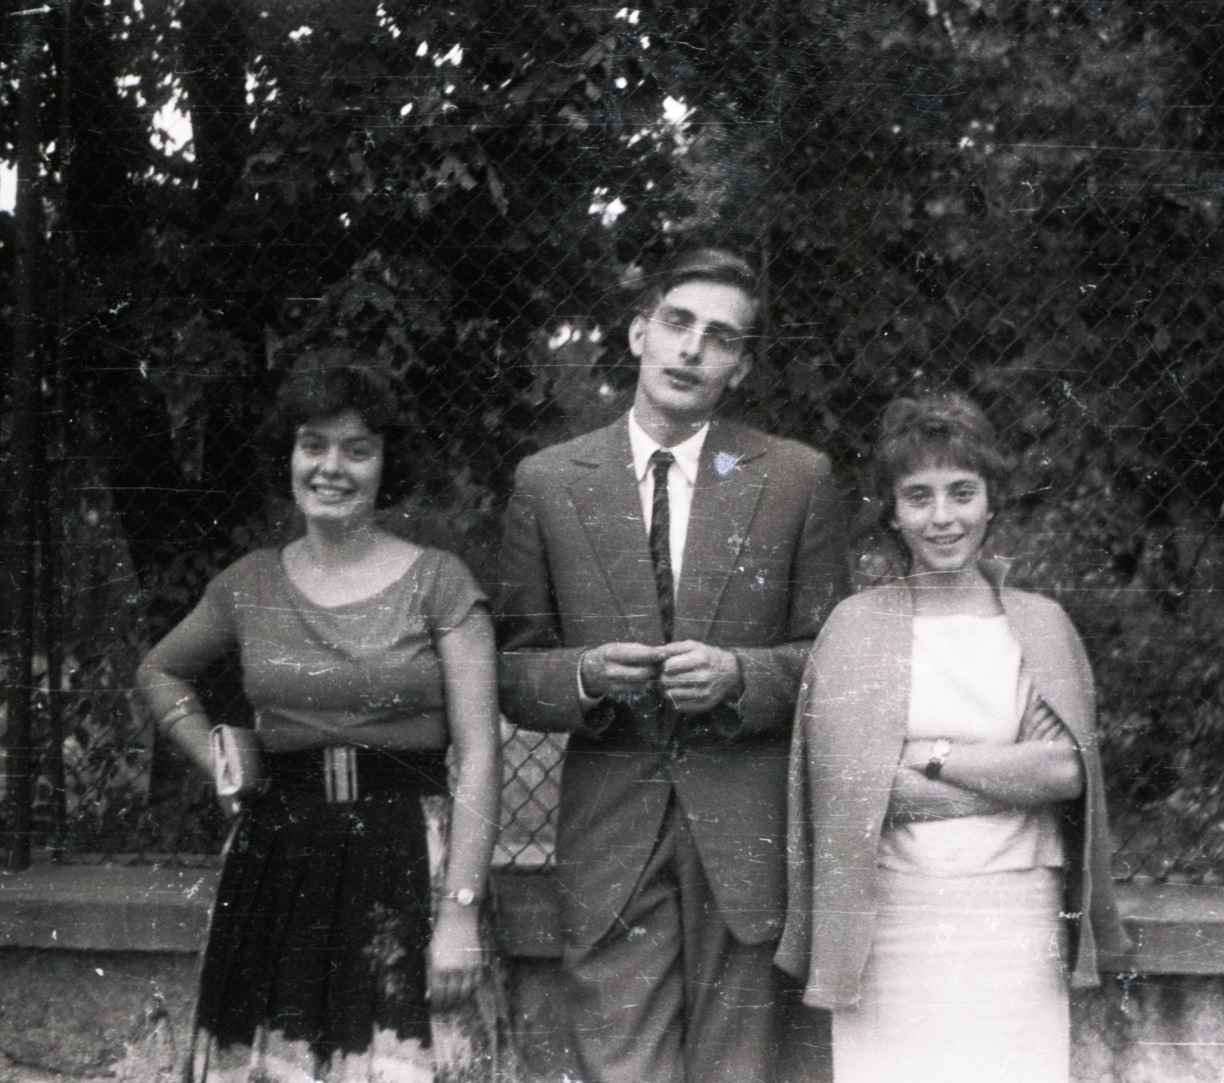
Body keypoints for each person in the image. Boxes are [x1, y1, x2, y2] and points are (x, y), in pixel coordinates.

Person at [496, 245, 849, 1082]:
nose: (692, 349)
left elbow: (835, 662)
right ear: (637, 332)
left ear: (741, 365)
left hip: (745, 833)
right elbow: (511, 670)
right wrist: (582, 675)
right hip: (612, 833)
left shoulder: (795, 477)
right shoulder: (548, 482)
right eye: (678, 323)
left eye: (720, 338)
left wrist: (738, 675)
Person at [136, 355, 503, 1083]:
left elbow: (483, 752)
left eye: (357, 449)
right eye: (314, 444)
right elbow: (159, 671)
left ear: (384, 464)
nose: (331, 467)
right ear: (289, 454)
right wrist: (216, 756)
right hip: (278, 859)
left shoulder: (440, 581)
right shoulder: (246, 584)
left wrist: (459, 911)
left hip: (409, 856)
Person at [775, 391, 1131, 1083]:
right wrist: (1002, 779)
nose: (942, 517)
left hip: (1014, 911)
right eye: (919, 496)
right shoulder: (855, 625)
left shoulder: (1039, 623)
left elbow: (1062, 771)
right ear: (893, 511)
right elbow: (855, 791)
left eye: (961, 492)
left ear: (991, 500)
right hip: (893, 917)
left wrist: (930, 757)